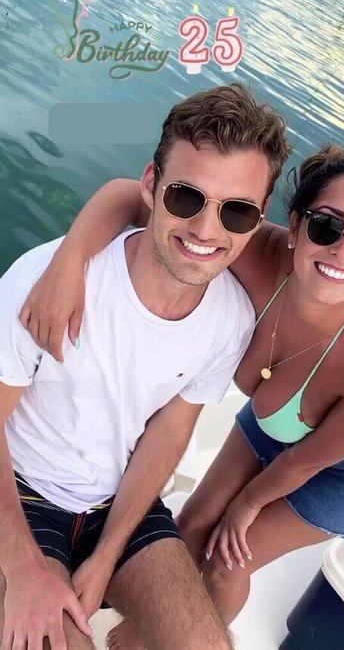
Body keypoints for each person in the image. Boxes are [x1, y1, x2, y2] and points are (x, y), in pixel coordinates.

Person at [20, 133, 344, 649]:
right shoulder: (254, 251)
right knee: (190, 523)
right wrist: (67, 264)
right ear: (295, 226)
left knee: (228, 557)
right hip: (279, 415)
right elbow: (129, 194)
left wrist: (247, 504)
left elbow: (303, 464)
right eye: (327, 225)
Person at [0, 83, 291, 650]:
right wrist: (21, 566)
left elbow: (169, 431)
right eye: (186, 197)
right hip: (23, 492)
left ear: (257, 221)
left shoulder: (232, 318)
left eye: (235, 211)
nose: (206, 230)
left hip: (116, 503)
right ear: (151, 185)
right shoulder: (47, 283)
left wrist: (109, 553)